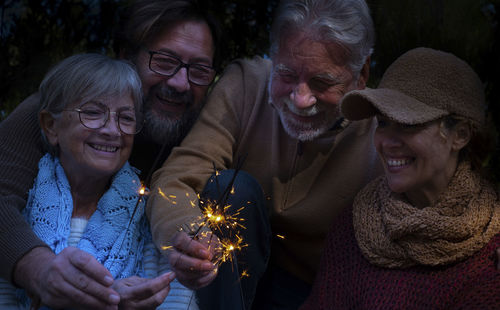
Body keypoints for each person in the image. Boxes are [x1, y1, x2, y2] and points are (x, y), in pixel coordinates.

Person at [147, 0, 381, 308]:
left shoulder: (380, 133)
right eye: (286, 74)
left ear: (361, 74)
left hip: (312, 294)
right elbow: (176, 178)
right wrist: (190, 239)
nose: (300, 99)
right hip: (226, 281)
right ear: (273, 56)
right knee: (231, 189)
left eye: (322, 82)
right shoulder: (246, 85)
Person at [0, 0, 220, 309]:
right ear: (126, 57)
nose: (180, 83)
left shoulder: (209, 130)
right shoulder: (58, 106)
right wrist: (40, 270)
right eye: (164, 61)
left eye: (198, 70)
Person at [300, 47, 500, 309]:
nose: (388, 142)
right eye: (382, 123)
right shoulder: (353, 226)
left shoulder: (490, 247)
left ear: (460, 135)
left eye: (409, 124)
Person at [0, 53, 180, 309]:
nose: (112, 130)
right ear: (51, 126)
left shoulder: (148, 217)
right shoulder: (17, 213)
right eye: (93, 113)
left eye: (126, 118)